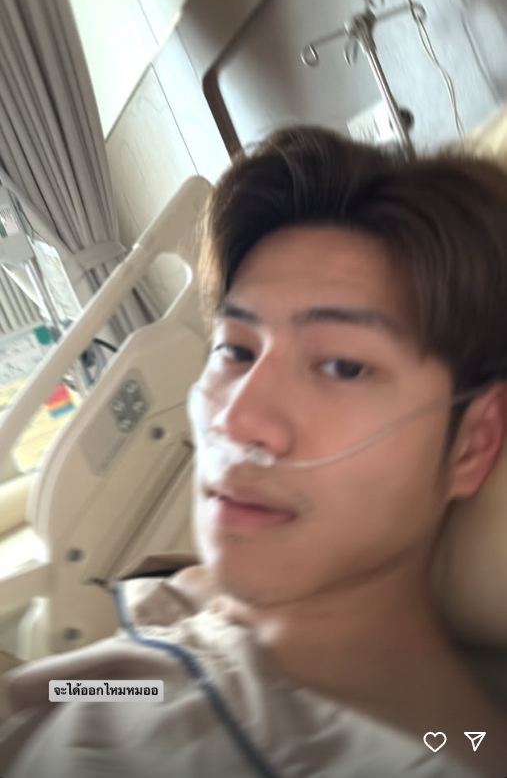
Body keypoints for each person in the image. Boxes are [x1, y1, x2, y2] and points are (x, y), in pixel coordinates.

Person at [1, 125, 507, 778]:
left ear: (472, 443)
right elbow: (89, 693)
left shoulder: (430, 756)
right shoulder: (181, 642)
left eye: (342, 365)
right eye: (236, 350)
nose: (236, 419)